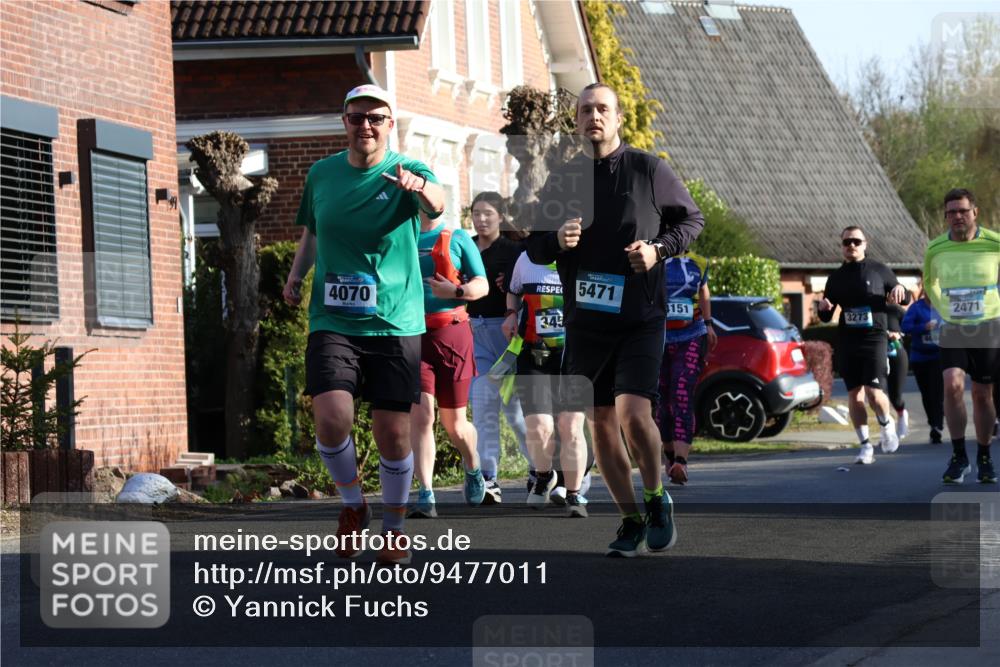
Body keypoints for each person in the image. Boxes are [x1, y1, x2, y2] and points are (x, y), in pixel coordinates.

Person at [526, 83, 705, 557]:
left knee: (632, 412)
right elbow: (534, 244)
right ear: (577, 120)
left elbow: (691, 221)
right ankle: (629, 518)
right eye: (585, 110)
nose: (593, 117)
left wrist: (658, 249)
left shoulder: (648, 169)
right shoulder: (563, 178)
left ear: (618, 118)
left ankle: (654, 497)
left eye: (603, 109)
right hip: (586, 322)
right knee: (600, 421)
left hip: (640, 316)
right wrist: (555, 241)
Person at [283, 84, 446, 565]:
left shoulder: (407, 171)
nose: (366, 126)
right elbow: (312, 231)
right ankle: (353, 506)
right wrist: (296, 276)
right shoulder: (321, 174)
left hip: (395, 322)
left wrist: (419, 190)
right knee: (331, 418)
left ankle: (394, 526)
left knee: (393, 434)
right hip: (333, 319)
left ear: (390, 124)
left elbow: (436, 204)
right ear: (345, 122)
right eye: (357, 118)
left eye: (376, 118)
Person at [408, 212, 490, 517]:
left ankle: (472, 466)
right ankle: (426, 493)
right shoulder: (401, 237)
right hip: (413, 335)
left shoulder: (457, 238)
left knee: (454, 424)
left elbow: (482, 285)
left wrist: (456, 291)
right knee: (421, 415)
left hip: (452, 333)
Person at [502, 252, 589, 517]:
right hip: (534, 354)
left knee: (570, 425)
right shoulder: (527, 259)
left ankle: (574, 495)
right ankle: (543, 475)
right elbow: (513, 291)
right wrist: (510, 314)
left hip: (575, 355)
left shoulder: (584, 257)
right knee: (539, 427)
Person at [923, 188, 999, 484]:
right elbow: (930, 282)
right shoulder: (936, 247)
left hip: (988, 325)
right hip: (954, 326)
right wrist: (943, 306)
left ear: (975, 212)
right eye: (951, 212)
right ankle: (958, 456)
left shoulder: (994, 243)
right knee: (952, 385)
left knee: (982, 394)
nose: (957, 216)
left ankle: (984, 456)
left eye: (962, 211)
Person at [818, 226, 907, 465]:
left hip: (875, 338)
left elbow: (902, 295)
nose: (852, 246)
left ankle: (886, 425)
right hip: (848, 341)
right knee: (854, 395)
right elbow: (827, 315)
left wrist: (900, 288)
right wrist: (822, 308)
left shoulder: (880, 270)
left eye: (856, 241)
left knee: (874, 393)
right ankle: (865, 446)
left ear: (865, 244)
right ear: (842, 246)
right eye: (847, 242)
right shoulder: (835, 278)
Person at [467, 192, 529, 505]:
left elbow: (525, 287)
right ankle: (489, 479)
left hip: (506, 335)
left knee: (514, 410)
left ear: (501, 217)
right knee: (482, 407)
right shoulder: (465, 246)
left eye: (488, 213)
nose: (481, 219)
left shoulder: (514, 251)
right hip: (474, 332)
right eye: (476, 213)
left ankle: (539, 470)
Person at [657, 250, 717, 485]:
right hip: (658, 337)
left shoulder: (700, 261)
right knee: (663, 402)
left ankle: (681, 461)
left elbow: (704, 291)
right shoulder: (653, 256)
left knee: (682, 394)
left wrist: (709, 323)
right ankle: (670, 455)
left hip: (691, 335)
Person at [900, 277, 945, 444]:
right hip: (920, 357)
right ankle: (933, 422)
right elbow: (905, 327)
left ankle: (937, 426)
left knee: (937, 392)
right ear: (924, 291)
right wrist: (923, 327)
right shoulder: (916, 308)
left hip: (938, 356)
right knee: (927, 393)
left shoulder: (944, 307)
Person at [885, 290, 913, 440]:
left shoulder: (898, 311)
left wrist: (899, 334)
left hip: (897, 353)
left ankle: (902, 415)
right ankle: (887, 429)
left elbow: (910, 330)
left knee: (895, 396)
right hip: (877, 355)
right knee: (878, 394)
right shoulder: (874, 311)